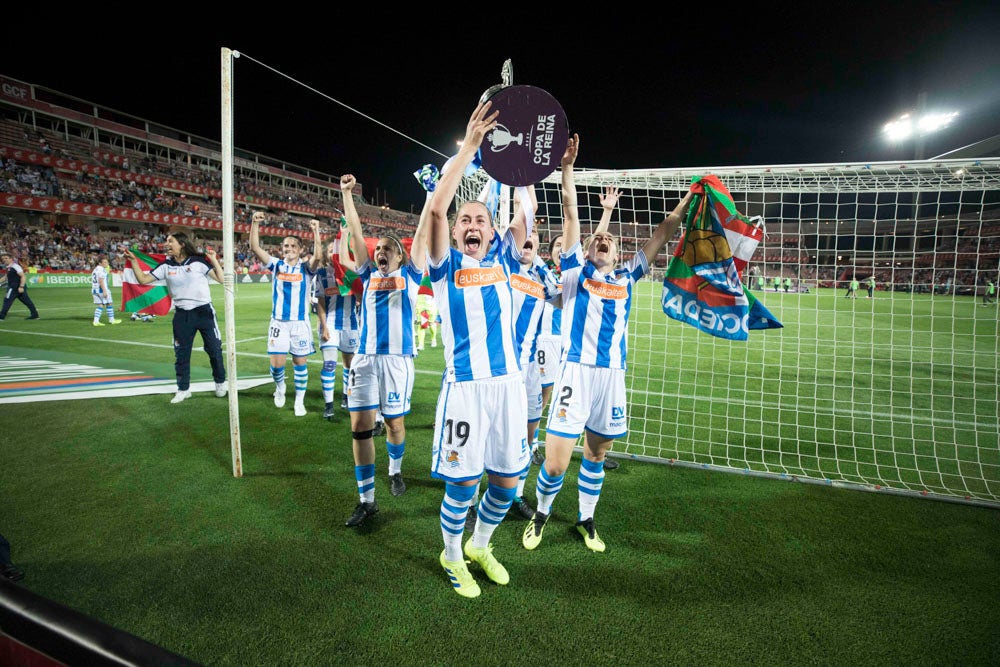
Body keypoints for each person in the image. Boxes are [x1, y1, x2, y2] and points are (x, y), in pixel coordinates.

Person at [521, 133, 692, 554]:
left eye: (611, 242)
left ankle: (586, 519)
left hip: (612, 376)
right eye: (600, 239)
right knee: (556, 463)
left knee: (596, 456)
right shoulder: (575, 272)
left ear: (617, 255)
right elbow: (570, 212)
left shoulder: (628, 276)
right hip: (575, 374)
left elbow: (663, 232)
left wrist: (689, 197)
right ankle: (542, 513)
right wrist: (566, 168)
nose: (604, 241)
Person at [428, 100, 533, 598]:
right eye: (465, 219)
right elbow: (435, 208)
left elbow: (527, 212)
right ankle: (451, 556)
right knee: (464, 485)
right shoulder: (445, 265)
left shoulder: (506, 260)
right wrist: (470, 147)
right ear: (456, 231)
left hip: (509, 386)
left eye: (480, 220)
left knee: (507, 483)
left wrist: (526, 163)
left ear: (492, 232)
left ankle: (480, 545)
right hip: (466, 389)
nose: (472, 223)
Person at [338, 173, 430, 527]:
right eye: (378, 249)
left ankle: (394, 470)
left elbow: (422, 233)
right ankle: (366, 500)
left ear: (400, 256)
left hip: (396, 361)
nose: (380, 252)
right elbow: (356, 232)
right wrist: (348, 195)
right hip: (363, 360)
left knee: (394, 424)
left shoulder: (411, 276)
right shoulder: (368, 275)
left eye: (388, 248)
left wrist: (430, 196)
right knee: (360, 427)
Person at [125, 233, 227, 403]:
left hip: (204, 312)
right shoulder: (166, 266)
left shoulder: (198, 262)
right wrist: (134, 261)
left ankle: (220, 382)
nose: (167, 244)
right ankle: (183, 389)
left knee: (214, 350)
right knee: (181, 354)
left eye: (170, 241)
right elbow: (143, 280)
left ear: (182, 244)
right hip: (182, 315)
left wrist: (214, 260)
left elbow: (222, 279)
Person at [250, 213, 323, 416]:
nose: (289, 249)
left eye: (293, 246)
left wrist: (316, 231)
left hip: (300, 323)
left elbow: (318, 256)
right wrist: (254, 223)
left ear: (300, 250)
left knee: (300, 363)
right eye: (286, 246)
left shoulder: (306, 268)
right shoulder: (276, 265)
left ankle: (299, 401)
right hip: (279, 322)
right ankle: (280, 386)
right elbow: (255, 247)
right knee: (276, 366)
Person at [314, 229, 363, 421]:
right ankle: (328, 405)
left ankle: (345, 396)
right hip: (330, 325)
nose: (332, 253)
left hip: (350, 325)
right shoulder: (322, 274)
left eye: (335, 250)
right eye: (330, 251)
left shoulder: (351, 273)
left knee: (349, 365)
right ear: (327, 254)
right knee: (329, 364)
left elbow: (360, 297)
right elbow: (320, 302)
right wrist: (324, 326)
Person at [0, 251, 40, 321]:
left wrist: (21, 286)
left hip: (14, 287)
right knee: (27, 301)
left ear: (11, 259)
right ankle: (35, 315)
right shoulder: (9, 267)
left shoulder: (15, 266)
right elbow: (6, 277)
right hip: (16, 287)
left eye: (6, 258)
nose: (4, 260)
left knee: (7, 300)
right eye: (3, 259)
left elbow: (23, 276)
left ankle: (1, 316)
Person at [90, 255, 121, 326]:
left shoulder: (95, 269)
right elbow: (101, 281)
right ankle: (111, 320)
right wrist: (104, 290)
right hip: (101, 290)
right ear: (100, 263)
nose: (107, 263)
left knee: (100, 305)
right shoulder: (101, 270)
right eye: (105, 262)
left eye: (107, 262)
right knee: (109, 303)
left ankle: (96, 321)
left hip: (94, 290)